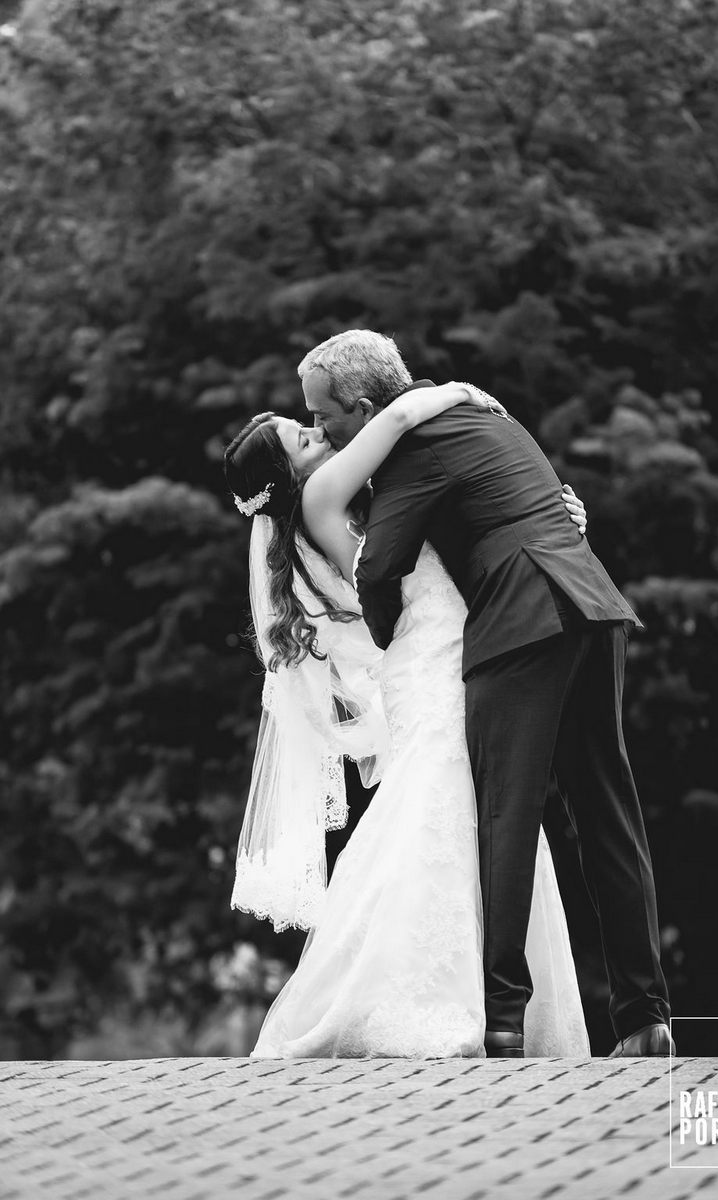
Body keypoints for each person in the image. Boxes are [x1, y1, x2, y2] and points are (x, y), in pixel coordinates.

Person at [299, 330, 674, 1059]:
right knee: (608, 813)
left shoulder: (409, 449)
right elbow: (539, 507)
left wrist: (390, 635)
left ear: (365, 408)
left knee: (506, 812)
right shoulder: (483, 415)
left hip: (522, 624)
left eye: (324, 416)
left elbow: (379, 567)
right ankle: (645, 1015)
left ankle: (502, 1018)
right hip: (592, 605)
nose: (321, 430)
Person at [224, 382, 591, 1057]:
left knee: (478, 811)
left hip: (456, 648)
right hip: (436, 660)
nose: (318, 432)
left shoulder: (355, 494)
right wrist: (457, 392)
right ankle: (426, 999)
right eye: (302, 438)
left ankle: (486, 998)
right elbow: (395, 414)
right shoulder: (322, 497)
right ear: (289, 475)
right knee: (447, 806)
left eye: (312, 424)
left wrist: (551, 517)